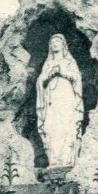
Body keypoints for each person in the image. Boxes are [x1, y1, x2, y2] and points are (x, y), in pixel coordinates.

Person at [36, 33, 85, 171]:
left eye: (57, 41)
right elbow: (40, 81)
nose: (54, 44)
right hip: (51, 100)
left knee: (66, 125)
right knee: (51, 127)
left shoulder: (69, 62)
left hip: (66, 98)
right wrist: (47, 76)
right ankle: (54, 160)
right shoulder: (48, 64)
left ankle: (67, 159)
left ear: (63, 45)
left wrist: (62, 72)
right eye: (52, 42)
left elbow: (77, 78)